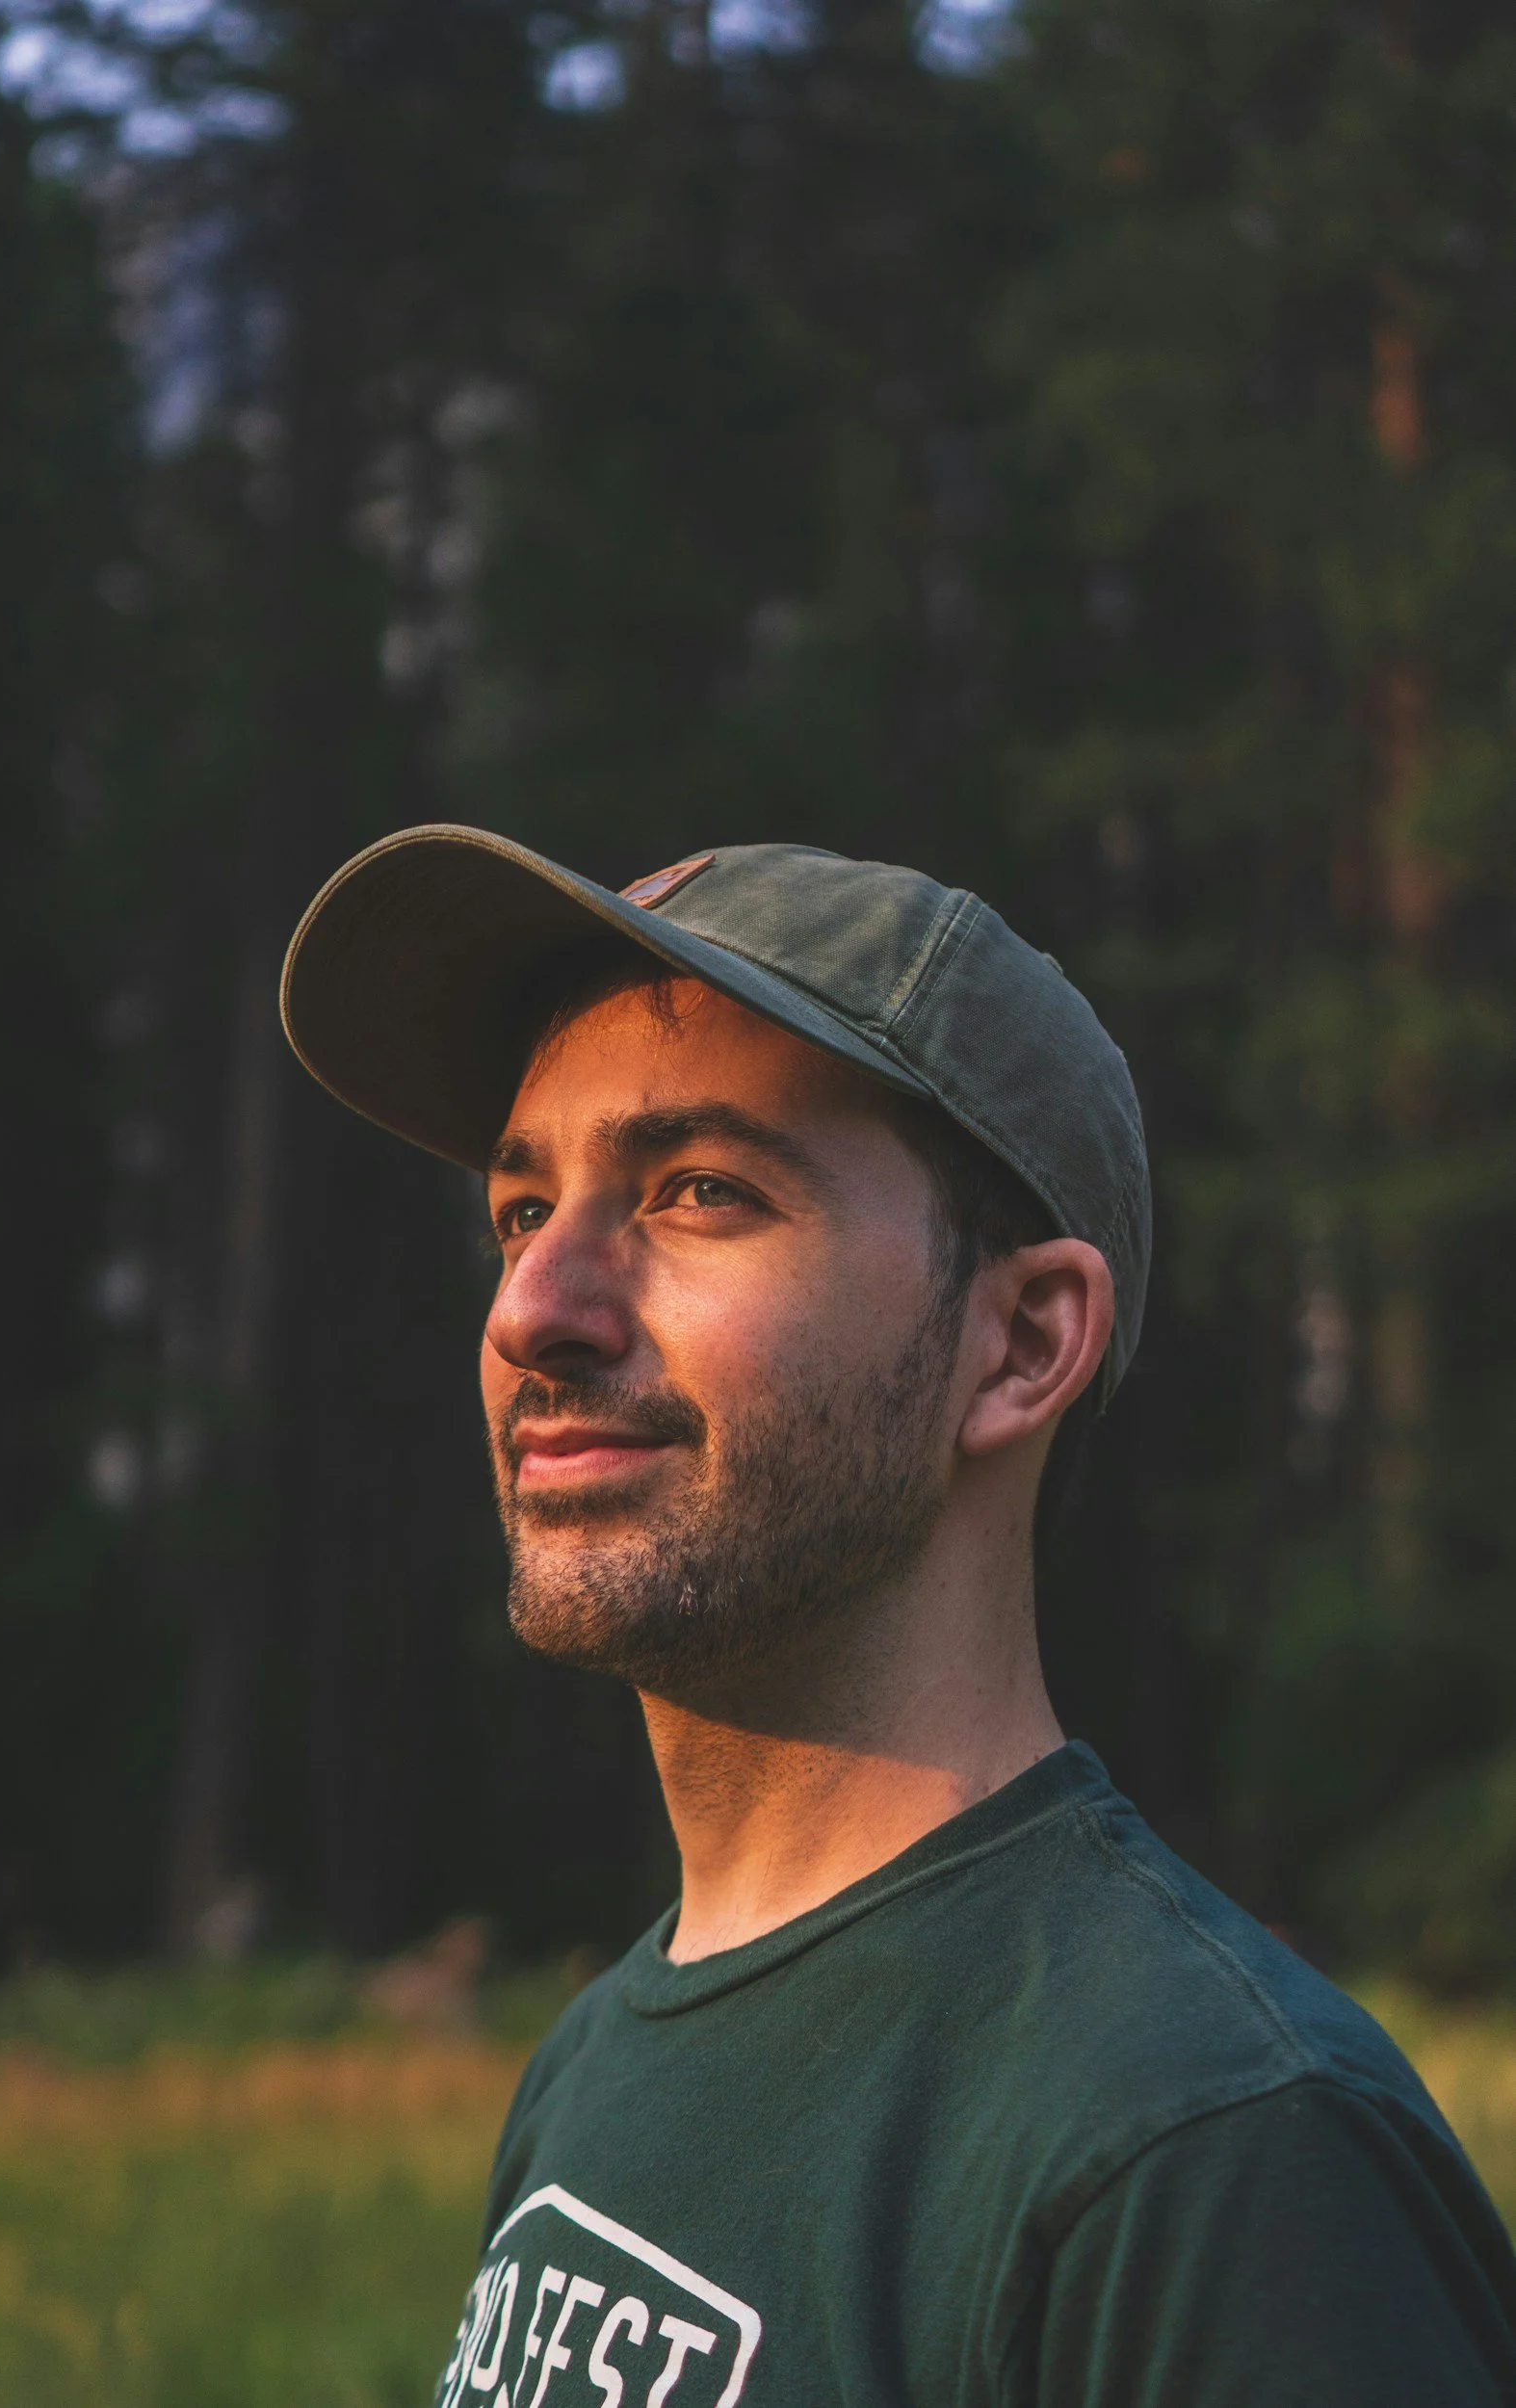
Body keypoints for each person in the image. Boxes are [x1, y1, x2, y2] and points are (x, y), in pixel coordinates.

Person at [281, 829, 1516, 2408]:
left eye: (699, 1191)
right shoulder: (593, 2063)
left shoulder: (1205, 2146)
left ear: (1019, 1342)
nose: (535, 1309)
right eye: (523, 1211)